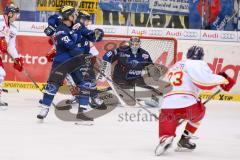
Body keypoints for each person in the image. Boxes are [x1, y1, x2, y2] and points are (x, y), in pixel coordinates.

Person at [155, 46, 235, 156]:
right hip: (188, 105)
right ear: (201, 57)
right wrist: (223, 80)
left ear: (187, 55)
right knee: (200, 111)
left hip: (167, 105)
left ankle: (165, 138)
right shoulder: (198, 64)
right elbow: (205, 81)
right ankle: (185, 139)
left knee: (167, 121)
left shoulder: (175, 66)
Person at [37, 6, 104, 120]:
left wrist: (96, 34)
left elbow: (89, 35)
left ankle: (83, 111)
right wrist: (84, 53)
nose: (76, 16)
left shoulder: (77, 25)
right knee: (52, 86)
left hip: (74, 62)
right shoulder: (60, 30)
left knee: (84, 85)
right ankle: (45, 108)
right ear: (69, 16)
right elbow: (73, 48)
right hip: (61, 63)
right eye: (75, 14)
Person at [100, 36, 170, 106]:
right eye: (132, 44)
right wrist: (104, 67)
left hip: (136, 78)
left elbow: (150, 66)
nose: (134, 46)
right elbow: (107, 56)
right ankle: (103, 95)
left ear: (139, 44)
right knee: (127, 96)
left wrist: (154, 72)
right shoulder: (122, 50)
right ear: (129, 44)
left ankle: (146, 98)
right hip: (120, 78)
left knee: (144, 92)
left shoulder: (145, 54)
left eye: (136, 44)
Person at [0, 4, 23, 110]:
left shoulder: (13, 28)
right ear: (9, 14)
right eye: (15, 14)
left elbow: (10, 46)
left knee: (1, 74)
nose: (17, 17)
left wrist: (17, 58)